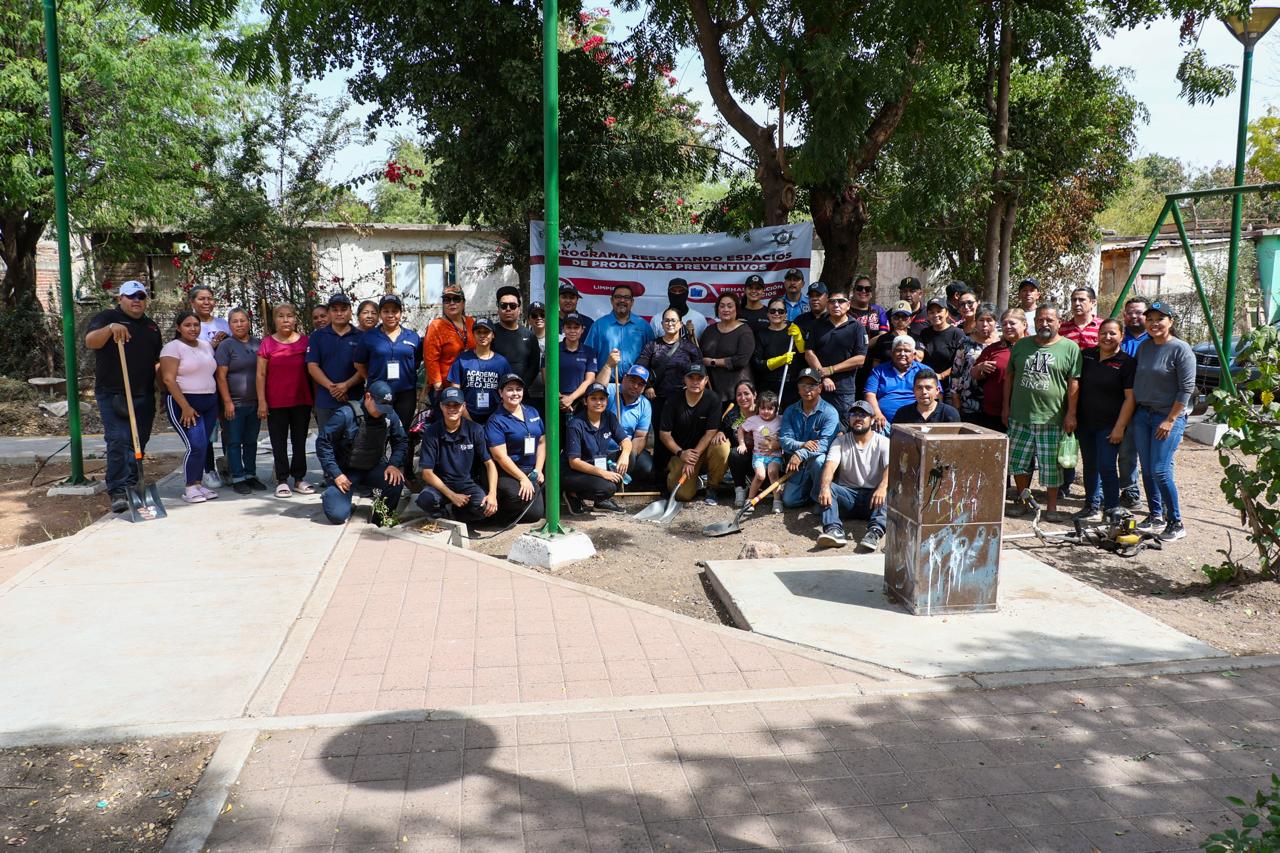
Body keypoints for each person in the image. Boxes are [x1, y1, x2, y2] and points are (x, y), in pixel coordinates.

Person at [84, 281, 163, 513]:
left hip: (144, 394)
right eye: (131, 296)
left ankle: (132, 484)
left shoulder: (151, 327)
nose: (137, 300)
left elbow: (156, 362)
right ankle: (118, 490)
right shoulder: (107, 316)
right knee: (118, 440)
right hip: (113, 393)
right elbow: (90, 341)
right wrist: (110, 329)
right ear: (121, 299)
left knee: (138, 442)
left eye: (141, 296)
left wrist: (162, 391)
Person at [1003, 305, 1081, 519]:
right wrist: (1006, 407)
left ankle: (1052, 508)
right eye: (1040, 320)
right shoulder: (1021, 345)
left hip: (1052, 417)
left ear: (1059, 322)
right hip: (1021, 416)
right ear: (1034, 322)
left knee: (1051, 466)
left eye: (1049, 320)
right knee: (1019, 463)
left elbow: (1074, 382)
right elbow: (1009, 377)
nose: (1044, 324)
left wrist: (1071, 413)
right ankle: (1023, 501)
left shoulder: (1070, 348)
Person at [1131, 301, 1195, 541]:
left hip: (1166, 417)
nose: (1154, 323)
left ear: (1171, 322)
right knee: (1146, 469)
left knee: (1160, 469)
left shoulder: (1181, 349)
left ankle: (1176, 521)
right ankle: (1155, 515)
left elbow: (1186, 388)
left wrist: (1170, 419)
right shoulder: (1145, 347)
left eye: (1160, 319)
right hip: (1142, 415)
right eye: (1150, 319)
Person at [315, 380, 408, 526]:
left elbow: (401, 441)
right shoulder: (345, 414)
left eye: (385, 407)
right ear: (368, 397)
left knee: (396, 481)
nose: (381, 411)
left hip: (374, 467)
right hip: (346, 472)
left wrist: (393, 464)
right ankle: (332, 493)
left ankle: (379, 518)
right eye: (379, 406)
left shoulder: (389, 415)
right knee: (337, 516)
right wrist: (336, 474)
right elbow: (323, 443)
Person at [1075, 318, 1137, 522]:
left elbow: (1130, 398)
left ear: (1121, 336)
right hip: (1085, 424)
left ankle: (1111, 509)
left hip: (1109, 426)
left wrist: (1120, 427)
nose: (1107, 337)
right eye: (1104, 333)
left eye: (1112, 333)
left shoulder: (1127, 363)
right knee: (1089, 465)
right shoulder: (1087, 356)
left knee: (1107, 466)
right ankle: (1092, 505)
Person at [160, 311, 221, 504]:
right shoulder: (172, 347)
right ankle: (189, 487)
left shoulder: (205, 346)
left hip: (209, 403)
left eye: (196, 325)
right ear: (178, 328)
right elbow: (168, 379)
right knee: (195, 445)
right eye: (187, 325)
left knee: (204, 444)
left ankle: (198, 483)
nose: (193, 328)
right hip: (184, 403)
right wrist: (185, 407)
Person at [636, 307, 702, 477]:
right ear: (662, 323)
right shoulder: (653, 345)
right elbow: (641, 366)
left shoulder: (690, 347)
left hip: (683, 400)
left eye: (674, 320)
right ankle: (660, 475)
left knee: (680, 436)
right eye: (667, 320)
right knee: (660, 437)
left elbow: (700, 370)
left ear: (680, 324)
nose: (670, 323)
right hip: (658, 399)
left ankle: (679, 474)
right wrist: (648, 385)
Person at [815, 400, 889, 551]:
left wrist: (882, 487)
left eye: (863, 414)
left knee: (889, 490)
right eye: (854, 414)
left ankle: (874, 532)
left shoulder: (883, 441)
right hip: (848, 496)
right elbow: (830, 466)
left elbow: (891, 467)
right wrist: (824, 487)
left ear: (872, 419)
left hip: (873, 498)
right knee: (828, 487)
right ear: (849, 419)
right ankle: (834, 530)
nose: (858, 418)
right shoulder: (840, 441)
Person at [257, 303, 315, 497]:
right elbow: (261, 375)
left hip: (301, 399)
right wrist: (262, 402)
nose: (285, 320)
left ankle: (299, 478)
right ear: (275, 320)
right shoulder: (267, 343)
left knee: (299, 441)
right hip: (276, 401)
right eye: (281, 316)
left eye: (289, 316)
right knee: (278, 442)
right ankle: (282, 480)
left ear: (295, 319)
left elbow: (312, 370)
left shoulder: (305, 342)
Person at [417, 387, 498, 522]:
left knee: (485, 508)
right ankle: (443, 515)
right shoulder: (431, 432)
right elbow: (427, 473)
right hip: (441, 484)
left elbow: (489, 463)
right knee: (425, 500)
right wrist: (452, 495)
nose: (452, 409)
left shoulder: (475, 430)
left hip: (467, 484)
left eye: (456, 405)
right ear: (441, 406)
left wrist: (492, 494)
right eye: (447, 405)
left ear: (464, 406)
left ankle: (459, 514)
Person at [659, 363, 729, 503]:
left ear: (706, 380)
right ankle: (697, 481)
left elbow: (711, 432)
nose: (695, 382)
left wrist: (693, 458)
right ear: (685, 380)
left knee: (723, 447)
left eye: (700, 378)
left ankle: (712, 487)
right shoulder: (673, 400)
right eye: (691, 378)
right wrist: (681, 453)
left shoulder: (713, 399)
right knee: (682, 495)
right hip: (681, 452)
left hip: (703, 450)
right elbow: (664, 434)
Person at [354, 293, 423, 435]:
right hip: (378, 394)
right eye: (386, 311)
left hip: (405, 394)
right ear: (380, 314)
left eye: (395, 311)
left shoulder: (413, 337)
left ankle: (403, 458)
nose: (390, 315)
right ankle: (380, 458)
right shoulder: (369, 337)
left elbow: (416, 362)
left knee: (403, 434)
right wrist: (371, 379)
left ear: (401, 313)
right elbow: (359, 363)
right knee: (378, 435)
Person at [485, 373, 547, 525]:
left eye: (518, 389)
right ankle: (494, 517)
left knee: (536, 514)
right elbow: (500, 457)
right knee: (517, 497)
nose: (515, 393)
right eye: (510, 389)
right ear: (501, 393)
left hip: (531, 469)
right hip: (508, 472)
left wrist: (538, 470)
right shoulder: (496, 420)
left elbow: (542, 441)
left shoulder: (532, 411)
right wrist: (522, 478)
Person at [215, 308, 265, 494]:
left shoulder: (258, 344)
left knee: (251, 441)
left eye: (242, 320)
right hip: (234, 404)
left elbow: (263, 374)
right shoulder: (226, 346)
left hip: (254, 403)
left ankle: (250, 475)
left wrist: (262, 401)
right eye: (234, 321)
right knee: (234, 442)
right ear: (229, 325)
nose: (239, 324)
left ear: (249, 322)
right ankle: (238, 477)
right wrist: (227, 402)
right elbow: (221, 377)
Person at [562, 382, 632, 514]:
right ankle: (572, 494)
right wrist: (604, 474)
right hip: (574, 471)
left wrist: (625, 455)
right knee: (608, 487)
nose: (598, 402)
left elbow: (625, 440)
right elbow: (574, 462)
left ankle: (600, 502)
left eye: (602, 398)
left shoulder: (609, 417)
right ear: (585, 401)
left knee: (630, 458)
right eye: (593, 398)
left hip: (597, 464)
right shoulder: (576, 424)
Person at [778, 368, 840, 508]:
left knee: (820, 461)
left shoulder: (830, 412)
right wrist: (801, 445)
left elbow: (825, 444)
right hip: (798, 466)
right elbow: (784, 440)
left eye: (811, 385)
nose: (807, 389)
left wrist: (802, 453)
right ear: (798, 389)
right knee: (789, 501)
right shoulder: (790, 410)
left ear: (820, 388)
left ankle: (820, 497)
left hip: (817, 464)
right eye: (803, 385)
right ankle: (809, 496)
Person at [188, 285, 230, 487]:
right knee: (207, 430)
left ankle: (231, 466)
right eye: (201, 299)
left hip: (226, 383)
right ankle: (208, 469)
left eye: (210, 298)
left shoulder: (224, 323)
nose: (207, 303)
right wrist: (212, 345)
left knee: (229, 426)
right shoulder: (190, 324)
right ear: (192, 303)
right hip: (203, 386)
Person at [804, 286, 867, 415]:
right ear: (827, 304)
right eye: (832, 301)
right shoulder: (816, 325)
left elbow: (860, 359)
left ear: (848, 305)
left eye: (841, 301)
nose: (836, 305)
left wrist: (831, 369)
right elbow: (809, 353)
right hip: (818, 387)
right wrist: (824, 376)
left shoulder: (857, 327)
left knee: (842, 428)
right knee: (817, 425)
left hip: (844, 391)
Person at [306, 292, 364, 431]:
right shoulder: (317, 337)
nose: (339, 313)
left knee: (354, 446)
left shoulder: (361, 337)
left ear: (350, 312)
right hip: (326, 401)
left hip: (354, 400)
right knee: (327, 445)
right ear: (329, 313)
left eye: (343, 309)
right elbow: (312, 366)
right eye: (335, 310)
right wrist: (333, 388)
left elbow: (364, 367)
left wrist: (346, 385)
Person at [969, 308, 1027, 432]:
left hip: (1024, 412)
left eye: (1012, 323)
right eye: (1004, 324)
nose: (1007, 327)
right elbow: (974, 374)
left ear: (1024, 324)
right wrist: (980, 367)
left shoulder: (1033, 347)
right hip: (994, 412)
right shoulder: (992, 349)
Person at [446, 317, 511, 424]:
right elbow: (455, 393)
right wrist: (469, 420)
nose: (482, 335)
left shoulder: (501, 362)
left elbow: (507, 392)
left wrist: (496, 419)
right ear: (473, 334)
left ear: (493, 335)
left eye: (486, 332)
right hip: (466, 416)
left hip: (495, 418)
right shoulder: (462, 359)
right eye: (478, 332)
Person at [1117, 295, 1150, 508]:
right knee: (1126, 453)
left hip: (1147, 405)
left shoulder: (1154, 339)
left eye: (1139, 312)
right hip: (1119, 403)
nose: (1134, 316)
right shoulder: (1118, 336)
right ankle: (1130, 492)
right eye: (1130, 312)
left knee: (1150, 457)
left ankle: (1159, 501)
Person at [584, 283, 655, 379]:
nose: (622, 300)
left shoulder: (643, 325)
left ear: (632, 302)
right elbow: (588, 356)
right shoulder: (599, 325)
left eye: (626, 297)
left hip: (635, 386)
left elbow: (652, 357)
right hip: (605, 385)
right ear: (611, 300)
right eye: (618, 297)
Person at [423, 283, 476, 409]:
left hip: (470, 384)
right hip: (446, 386)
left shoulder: (471, 322)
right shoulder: (436, 326)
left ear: (463, 303)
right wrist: (437, 384)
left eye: (456, 299)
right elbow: (430, 358)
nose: (452, 303)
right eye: (447, 300)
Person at [699, 292, 755, 402]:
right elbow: (700, 354)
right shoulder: (709, 330)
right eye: (722, 306)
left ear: (736, 309)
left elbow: (741, 360)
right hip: (711, 390)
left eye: (730, 306)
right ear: (717, 309)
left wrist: (713, 362)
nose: (726, 309)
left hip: (736, 393)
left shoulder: (744, 331)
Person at [752, 298, 805, 411]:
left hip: (791, 386)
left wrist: (799, 340)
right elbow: (757, 364)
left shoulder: (794, 329)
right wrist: (781, 360)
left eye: (780, 311)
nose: (776, 314)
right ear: (767, 314)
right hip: (768, 387)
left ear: (785, 314)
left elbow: (805, 357)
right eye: (773, 311)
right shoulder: (761, 334)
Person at [950, 302, 1001, 419]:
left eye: (989, 320)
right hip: (969, 400)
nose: (985, 324)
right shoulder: (966, 342)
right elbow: (956, 372)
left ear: (995, 322)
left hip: (996, 401)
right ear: (976, 322)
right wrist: (955, 398)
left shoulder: (1002, 342)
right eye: (981, 320)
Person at [606, 365, 655, 487]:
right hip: (602, 447)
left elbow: (640, 437)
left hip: (626, 447)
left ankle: (622, 482)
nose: (635, 386)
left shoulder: (645, 405)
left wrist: (626, 455)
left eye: (640, 384)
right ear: (624, 379)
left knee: (646, 466)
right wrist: (608, 364)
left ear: (644, 388)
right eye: (632, 381)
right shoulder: (610, 390)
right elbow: (595, 388)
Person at [737, 389, 785, 513]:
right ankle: (750, 499)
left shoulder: (781, 419)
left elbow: (788, 434)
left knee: (773, 473)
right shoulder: (754, 420)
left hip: (775, 455)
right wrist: (742, 444)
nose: (766, 412)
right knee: (760, 475)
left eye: (770, 409)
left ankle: (777, 500)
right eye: (763, 408)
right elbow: (741, 429)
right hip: (758, 455)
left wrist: (779, 441)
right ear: (758, 408)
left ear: (776, 409)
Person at [864, 336, 925, 431]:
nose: (902, 354)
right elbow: (870, 394)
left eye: (907, 351)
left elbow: (936, 396)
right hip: (884, 424)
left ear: (914, 354)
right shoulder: (879, 370)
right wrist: (877, 414)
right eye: (898, 350)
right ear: (892, 353)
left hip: (917, 423)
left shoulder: (924, 371)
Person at [491, 285, 541, 390]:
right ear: (498, 308)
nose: (508, 309)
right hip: (495, 392)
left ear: (519, 309)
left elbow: (534, 366)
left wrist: (520, 387)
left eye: (512, 306)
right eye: (503, 305)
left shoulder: (529, 336)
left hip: (521, 393)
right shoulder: (490, 333)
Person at [720, 380, 758, 508]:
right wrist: (720, 432)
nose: (743, 398)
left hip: (764, 458)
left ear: (755, 395)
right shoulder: (731, 415)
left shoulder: (764, 411)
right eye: (739, 394)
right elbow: (720, 428)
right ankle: (740, 488)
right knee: (734, 453)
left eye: (746, 393)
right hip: (743, 458)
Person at [554, 312, 598, 415]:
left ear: (582, 330)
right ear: (563, 329)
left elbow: (590, 379)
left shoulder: (589, 352)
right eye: (569, 327)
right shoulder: (553, 349)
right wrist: (561, 398)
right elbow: (546, 377)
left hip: (579, 403)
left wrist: (570, 398)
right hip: (554, 401)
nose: (572, 331)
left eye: (576, 327)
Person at [918, 297, 968, 383]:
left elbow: (962, 362)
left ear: (947, 313)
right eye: (931, 312)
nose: (935, 315)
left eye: (939, 311)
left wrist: (941, 375)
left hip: (951, 385)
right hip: (928, 383)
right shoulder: (924, 333)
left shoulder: (957, 334)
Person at [867, 302, 922, 371]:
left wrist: (904, 339)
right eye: (896, 317)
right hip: (887, 377)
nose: (900, 320)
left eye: (904, 317)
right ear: (891, 319)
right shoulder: (883, 339)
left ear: (910, 319)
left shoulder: (916, 338)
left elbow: (920, 358)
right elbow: (876, 362)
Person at [892, 369, 960, 424]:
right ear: (913, 390)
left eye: (928, 387)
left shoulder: (949, 414)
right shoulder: (903, 414)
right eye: (919, 388)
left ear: (937, 390)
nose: (924, 392)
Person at [848, 274, 888, 343]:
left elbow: (883, 336)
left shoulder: (879, 311)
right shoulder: (845, 310)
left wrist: (863, 347)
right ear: (854, 291)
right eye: (859, 288)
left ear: (871, 294)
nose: (863, 291)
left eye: (867, 289)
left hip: (873, 352)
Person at [527, 301, 547, 415]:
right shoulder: (522, 339)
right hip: (529, 394)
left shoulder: (559, 340)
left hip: (553, 394)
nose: (539, 318)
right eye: (534, 315)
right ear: (529, 319)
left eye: (542, 315)